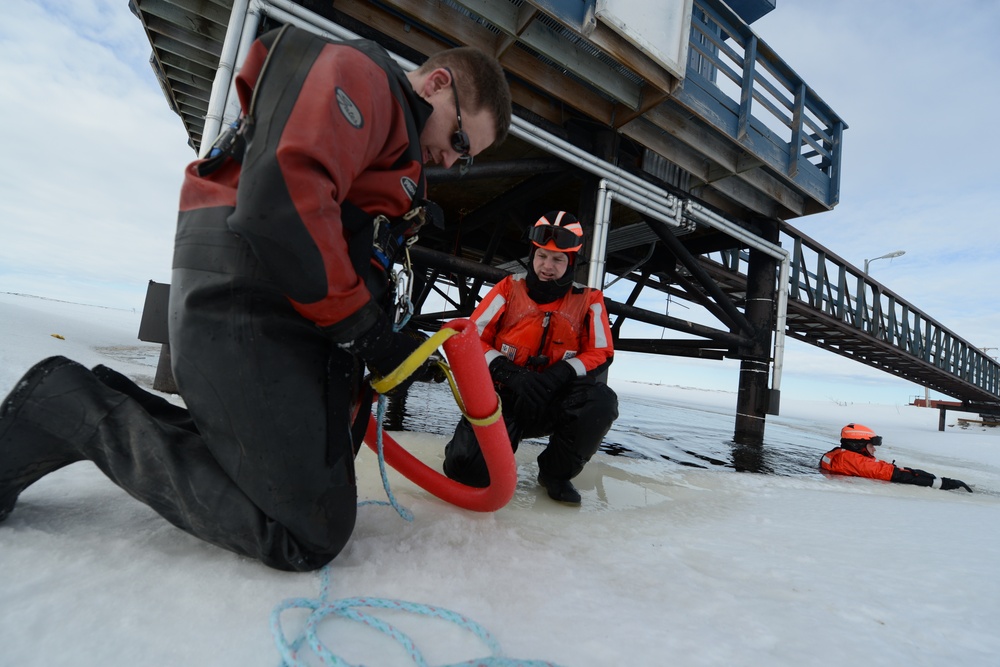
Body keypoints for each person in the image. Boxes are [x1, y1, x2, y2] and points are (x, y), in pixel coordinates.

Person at [0, 24, 512, 571]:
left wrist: (389, 340)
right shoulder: (364, 80)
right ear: (437, 84)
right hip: (245, 292)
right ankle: (70, 407)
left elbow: (343, 240)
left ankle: (98, 400)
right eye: (462, 142)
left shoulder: (396, 151)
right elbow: (282, 200)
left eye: (468, 158)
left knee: (323, 478)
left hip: (285, 308)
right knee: (310, 531)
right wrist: (365, 330)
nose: (455, 163)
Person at [443, 211, 619, 504]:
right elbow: (470, 338)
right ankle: (476, 453)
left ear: (571, 262)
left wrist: (560, 373)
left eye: (558, 259)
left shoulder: (591, 299)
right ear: (532, 255)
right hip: (504, 399)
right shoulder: (506, 289)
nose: (547, 267)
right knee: (464, 471)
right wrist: (509, 373)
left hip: (554, 400)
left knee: (601, 402)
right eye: (542, 256)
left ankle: (554, 474)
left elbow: (602, 352)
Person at [819, 423, 972, 492]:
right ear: (857, 445)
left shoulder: (838, 454)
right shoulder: (854, 461)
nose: (874, 450)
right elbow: (896, 475)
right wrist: (943, 483)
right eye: (871, 446)